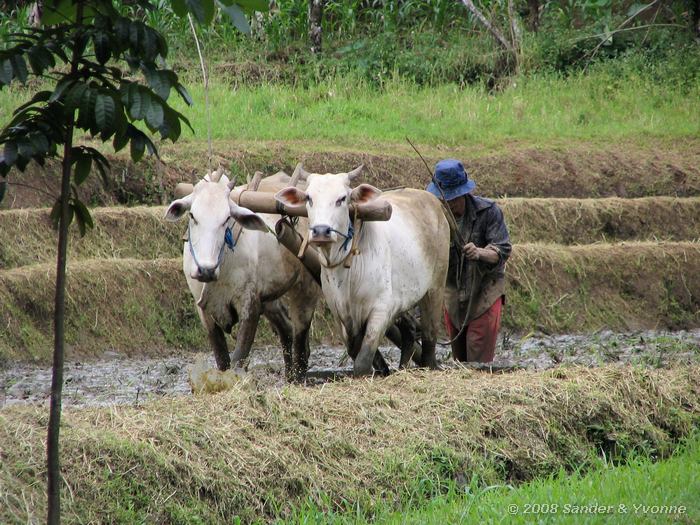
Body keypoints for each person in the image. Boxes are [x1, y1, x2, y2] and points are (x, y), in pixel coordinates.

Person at [426, 159, 512, 363]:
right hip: (453, 295)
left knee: (477, 359)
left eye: (454, 198)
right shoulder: (436, 219)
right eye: (444, 199)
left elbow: (502, 249)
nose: (450, 203)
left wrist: (479, 253)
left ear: (464, 193)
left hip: (484, 294)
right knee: (459, 362)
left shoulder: (488, 211)